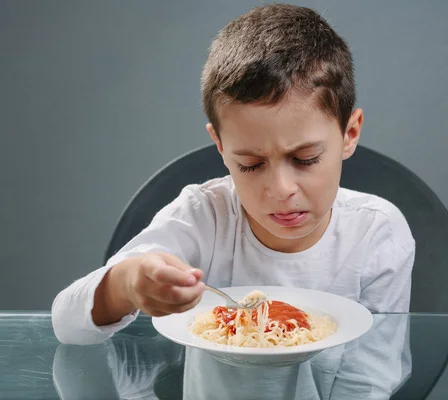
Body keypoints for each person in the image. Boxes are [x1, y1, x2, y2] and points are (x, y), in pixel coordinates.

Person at [52, 4, 414, 398]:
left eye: (305, 159)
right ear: (221, 147)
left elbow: (370, 378)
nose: (281, 189)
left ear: (350, 133)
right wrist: (125, 283)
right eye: (251, 164)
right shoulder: (204, 216)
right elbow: (66, 323)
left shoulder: (377, 232)